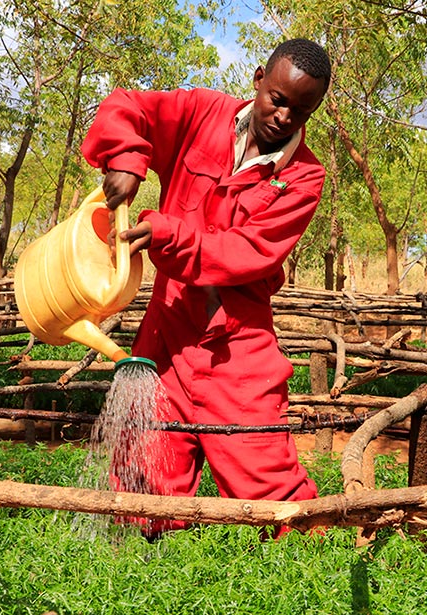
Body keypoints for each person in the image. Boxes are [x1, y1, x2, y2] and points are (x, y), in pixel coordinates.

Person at [81, 38, 331, 537]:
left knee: (272, 491)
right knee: (142, 484)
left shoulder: (304, 179)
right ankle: (138, 578)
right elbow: (127, 106)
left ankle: (312, 572)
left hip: (236, 346)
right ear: (259, 79)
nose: (284, 116)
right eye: (278, 99)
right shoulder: (201, 113)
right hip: (167, 332)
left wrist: (170, 233)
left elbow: (245, 252)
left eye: (300, 110)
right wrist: (128, 158)